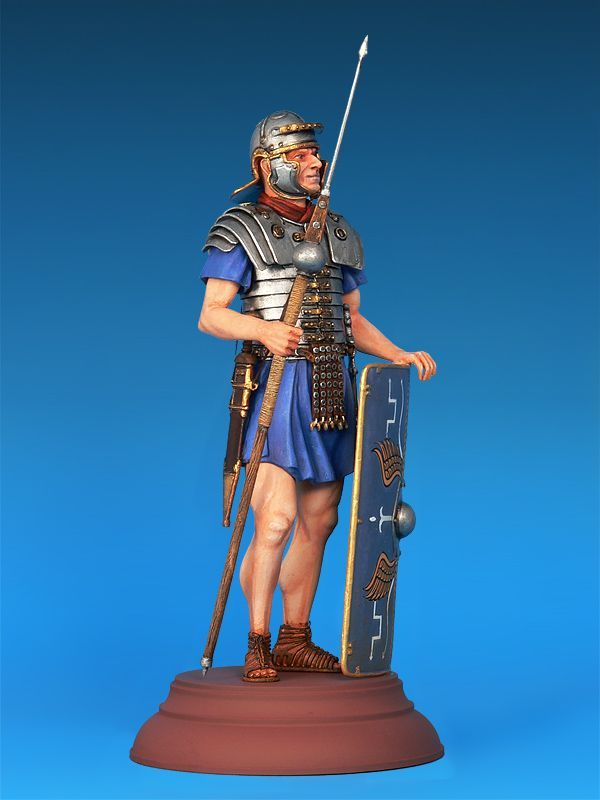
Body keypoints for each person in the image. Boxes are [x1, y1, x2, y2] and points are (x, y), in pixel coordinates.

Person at [198, 111, 436, 682]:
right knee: (274, 521)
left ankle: (294, 638)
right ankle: (257, 641)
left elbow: (349, 320)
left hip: (331, 383)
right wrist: (263, 331)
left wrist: (397, 353)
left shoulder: (337, 231)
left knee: (320, 519)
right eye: (300, 155)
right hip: (278, 386)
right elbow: (211, 316)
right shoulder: (241, 227)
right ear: (267, 165)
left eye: (314, 153)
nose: (315, 162)